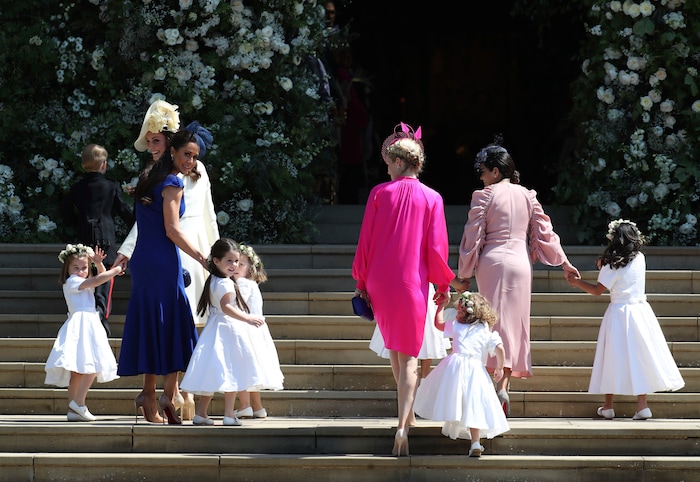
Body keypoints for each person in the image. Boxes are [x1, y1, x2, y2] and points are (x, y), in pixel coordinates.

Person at [352, 122, 454, 456]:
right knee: (408, 358)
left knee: (396, 351)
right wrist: (442, 284)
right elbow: (437, 248)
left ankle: (406, 417)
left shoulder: (380, 193)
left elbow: (365, 241)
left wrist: (361, 281)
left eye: (388, 163)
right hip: (412, 282)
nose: (386, 168)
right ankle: (402, 426)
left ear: (398, 162)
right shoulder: (433, 197)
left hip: (381, 281)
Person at [457, 139, 580, 416]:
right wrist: (565, 263)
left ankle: (493, 387)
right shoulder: (528, 195)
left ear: (496, 172)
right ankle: (505, 386)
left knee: (490, 323)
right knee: (514, 326)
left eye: (484, 171)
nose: (481, 176)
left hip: (492, 262)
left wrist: (463, 273)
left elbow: (472, 236)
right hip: (521, 264)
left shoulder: (484, 196)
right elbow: (546, 232)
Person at [115, 100, 219, 421]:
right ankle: (166, 396)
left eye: (195, 156)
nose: (191, 161)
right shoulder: (172, 182)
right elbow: (173, 230)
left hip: (146, 259)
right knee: (173, 321)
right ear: (173, 151)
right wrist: (205, 258)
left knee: (153, 321)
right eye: (187, 154)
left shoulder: (148, 176)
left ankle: (151, 395)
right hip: (163, 257)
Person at [566, 219, 685, 420]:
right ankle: (642, 405)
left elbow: (597, 291)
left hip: (619, 313)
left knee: (611, 357)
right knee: (641, 355)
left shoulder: (610, 264)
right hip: (640, 311)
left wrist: (577, 282)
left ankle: (608, 405)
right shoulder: (640, 258)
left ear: (614, 239)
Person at [180, 238, 267, 426]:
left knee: (213, 371)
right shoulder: (225, 283)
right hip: (229, 328)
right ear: (216, 261)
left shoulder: (214, 279)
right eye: (229, 261)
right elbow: (227, 307)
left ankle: (201, 413)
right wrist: (248, 318)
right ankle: (229, 415)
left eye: (236, 261)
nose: (234, 265)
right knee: (232, 371)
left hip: (215, 328)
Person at [413, 291, 509, 457]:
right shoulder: (484, 329)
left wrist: (440, 307)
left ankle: (462, 427)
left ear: (466, 313)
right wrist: (500, 367)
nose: (457, 314)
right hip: (476, 369)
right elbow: (499, 347)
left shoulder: (456, 326)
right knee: (474, 404)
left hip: (454, 367)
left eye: (459, 311)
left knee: (457, 399)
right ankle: (475, 443)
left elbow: (438, 323)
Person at [59, 143, 135, 336]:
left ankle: (90, 312)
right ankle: (101, 314)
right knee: (105, 277)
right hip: (106, 237)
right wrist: (137, 224)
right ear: (103, 164)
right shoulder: (111, 185)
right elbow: (123, 211)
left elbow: (65, 212)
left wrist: (77, 223)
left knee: (86, 274)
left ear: (84, 165)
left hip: (84, 236)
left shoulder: (77, 187)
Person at [45, 244, 122, 422]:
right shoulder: (72, 282)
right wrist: (116, 269)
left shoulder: (82, 282)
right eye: (76, 268)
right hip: (82, 324)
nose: (80, 271)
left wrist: (98, 264)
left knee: (79, 371)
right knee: (92, 365)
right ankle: (79, 402)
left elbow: (101, 280)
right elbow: (97, 281)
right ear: (68, 269)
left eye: (84, 268)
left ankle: (74, 409)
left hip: (88, 322)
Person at [368, 283, 452, 417]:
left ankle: (409, 402)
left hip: (395, 287)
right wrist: (446, 286)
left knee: (398, 342)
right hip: (420, 287)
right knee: (425, 333)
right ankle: (416, 392)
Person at [232, 243, 284, 419]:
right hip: (256, 332)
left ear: (250, 268)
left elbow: (236, 306)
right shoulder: (252, 284)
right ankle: (258, 407)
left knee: (243, 369)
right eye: (235, 262)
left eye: (241, 264)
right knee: (252, 371)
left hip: (245, 330)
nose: (237, 267)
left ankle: (245, 405)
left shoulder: (242, 284)